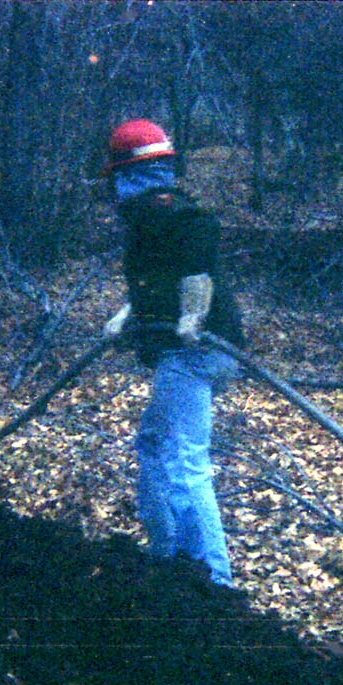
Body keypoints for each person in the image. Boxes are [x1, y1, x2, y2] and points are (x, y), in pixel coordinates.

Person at [101, 118, 246, 588]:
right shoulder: (151, 224)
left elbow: (196, 273)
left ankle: (215, 581)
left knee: (186, 461)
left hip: (196, 355)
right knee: (154, 445)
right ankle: (165, 554)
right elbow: (158, 284)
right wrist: (130, 315)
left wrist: (192, 316)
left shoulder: (180, 220)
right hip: (182, 354)